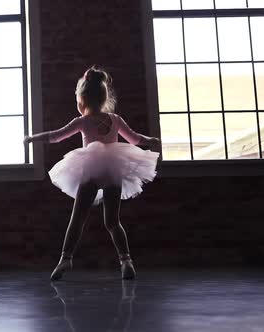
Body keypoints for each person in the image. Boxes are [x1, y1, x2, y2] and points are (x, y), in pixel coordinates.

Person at [24, 66, 161, 280]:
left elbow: (56, 136)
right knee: (112, 221)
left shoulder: (82, 121)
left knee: (77, 218)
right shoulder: (115, 119)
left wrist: (33, 138)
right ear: (104, 97)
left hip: (91, 170)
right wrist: (150, 141)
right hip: (113, 170)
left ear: (82, 99)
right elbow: (134, 139)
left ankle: (65, 259)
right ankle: (126, 261)